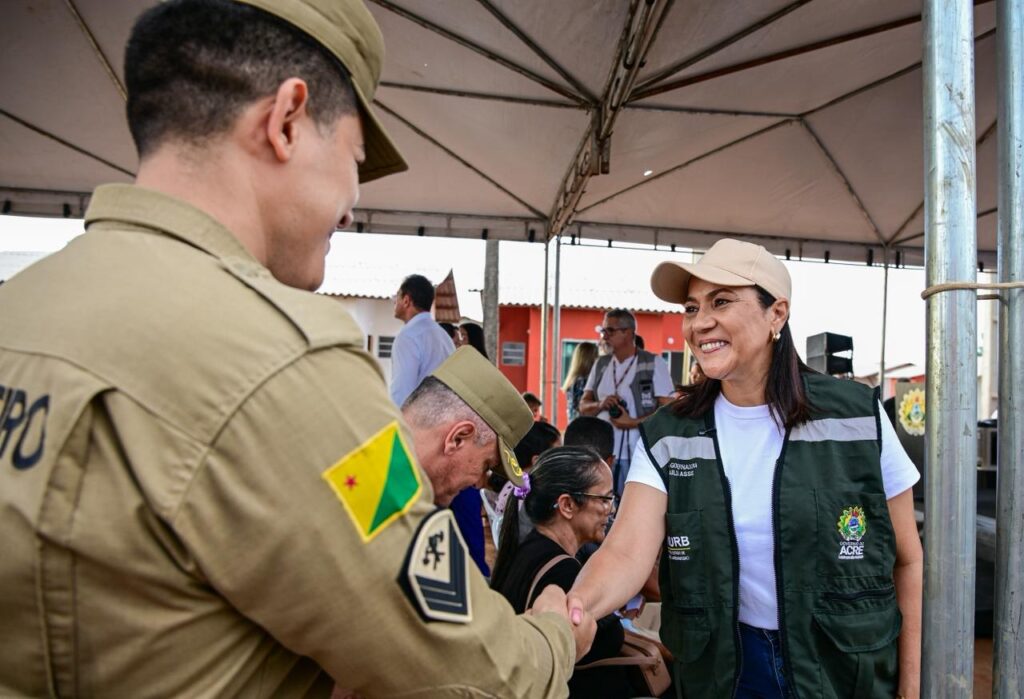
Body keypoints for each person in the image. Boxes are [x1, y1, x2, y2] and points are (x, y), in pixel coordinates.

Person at [0, 1, 596, 695]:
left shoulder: (21, 308)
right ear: (287, 119)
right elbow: (469, 669)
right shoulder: (293, 359)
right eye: (354, 158)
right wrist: (555, 636)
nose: (351, 204)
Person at [568, 238, 923, 698]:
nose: (700, 322)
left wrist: (910, 686)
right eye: (692, 308)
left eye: (721, 301)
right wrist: (574, 606)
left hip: (838, 669)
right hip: (728, 671)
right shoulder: (670, 433)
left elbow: (907, 559)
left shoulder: (857, 417)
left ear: (777, 314)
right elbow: (625, 553)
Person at [491, 447, 636, 698]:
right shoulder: (564, 574)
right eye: (604, 499)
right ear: (567, 505)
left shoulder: (526, 550)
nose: (611, 509)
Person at [578, 309, 674, 494]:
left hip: (639, 452)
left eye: (610, 330)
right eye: (603, 331)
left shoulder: (654, 363)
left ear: (628, 332)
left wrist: (633, 422)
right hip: (601, 453)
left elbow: (669, 410)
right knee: (602, 502)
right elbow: (583, 406)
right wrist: (600, 404)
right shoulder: (601, 364)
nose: (604, 336)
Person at [483, 420, 562, 548]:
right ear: (537, 460)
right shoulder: (529, 491)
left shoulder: (513, 483)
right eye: (558, 455)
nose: (563, 461)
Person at [390, 273, 455, 406]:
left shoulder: (408, 336)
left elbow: (402, 393)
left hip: (419, 415)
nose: (394, 301)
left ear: (406, 300)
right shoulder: (443, 336)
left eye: (397, 296)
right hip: (445, 412)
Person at [562, 341, 599, 423]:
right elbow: (584, 408)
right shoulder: (584, 380)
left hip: (574, 424)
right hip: (585, 425)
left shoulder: (573, 380)